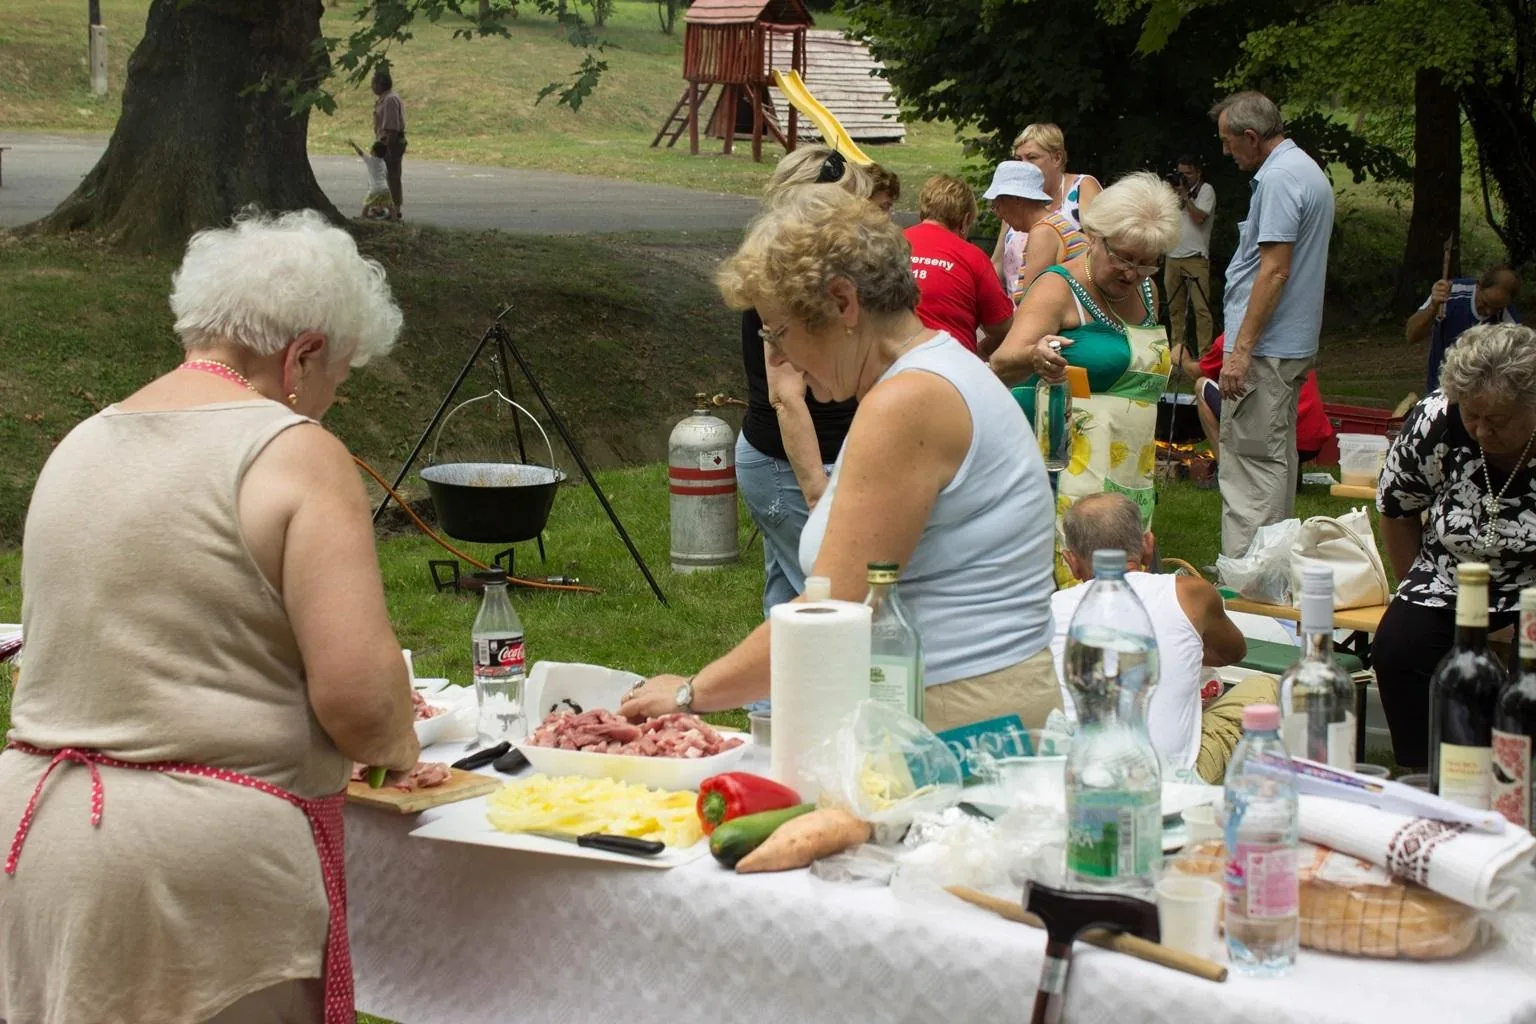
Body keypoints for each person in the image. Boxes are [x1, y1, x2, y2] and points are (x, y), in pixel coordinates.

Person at [0, 210, 419, 1022]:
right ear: (300, 355)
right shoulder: (296, 451)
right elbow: (361, 704)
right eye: (339, 374)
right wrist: (399, 742)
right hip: (191, 867)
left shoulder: (81, 440)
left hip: (34, 831)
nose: (331, 400)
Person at [621, 186, 1061, 733]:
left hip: (957, 715)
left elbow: (831, 611)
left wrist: (691, 693)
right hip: (965, 702)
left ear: (844, 302)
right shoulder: (926, 376)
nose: (777, 356)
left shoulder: (908, 402)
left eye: (778, 332)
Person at [988, 172, 1181, 583]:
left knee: (1128, 576)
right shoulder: (1058, 287)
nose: (1133, 272)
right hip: (1067, 459)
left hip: (1130, 461)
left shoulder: (1147, 292)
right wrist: (1036, 355)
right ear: (1095, 235)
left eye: (1147, 262)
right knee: (1073, 577)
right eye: (1123, 258)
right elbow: (1003, 362)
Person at [1373, 323, 1536, 768]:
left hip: (1532, 585)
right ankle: (1431, 771)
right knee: (1398, 647)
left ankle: (1516, 770)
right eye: (1472, 415)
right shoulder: (1436, 419)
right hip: (1449, 575)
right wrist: (1414, 588)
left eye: (1497, 420)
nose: (1481, 430)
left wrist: (1514, 622)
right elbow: (1396, 506)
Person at [735, 146, 873, 622]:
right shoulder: (782, 273)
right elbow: (785, 396)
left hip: (803, 458)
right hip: (789, 465)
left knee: (786, 595)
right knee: (827, 604)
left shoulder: (814, 266)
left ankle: (768, 700)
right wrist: (818, 496)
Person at [1048, 493, 1268, 782]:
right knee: (1265, 687)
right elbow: (1232, 653)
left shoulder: (1050, 609)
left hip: (1073, 776)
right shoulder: (1190, 593)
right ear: (1148, 545)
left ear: (1072, 562)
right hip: (1167, 784)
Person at [1211, 91, 1335, 558]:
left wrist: (1240, 351)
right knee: (1274, 463)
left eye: (1228, 142)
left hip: (1266, 349)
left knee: (1249, 469)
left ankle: (1248, 585)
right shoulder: (1303, 168)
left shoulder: (1281, 178)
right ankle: (1272, 575)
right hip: (1287, 343)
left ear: (1251, 136)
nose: (1226, 152)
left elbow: (1275, 269)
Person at [1174, 332, 1335, 476]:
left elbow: (1198, 372)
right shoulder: (1292, 335)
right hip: (1310, 445)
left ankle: (1227, 473)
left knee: (1202, 385)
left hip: (1265, 445)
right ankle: (1289, 473)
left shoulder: (1235, 337)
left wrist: (1182, 359)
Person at [905, 175, 1015, 355]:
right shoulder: (972, 257)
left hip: (890, 364)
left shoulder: (892, 244)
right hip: (949, 366)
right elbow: (1001, 326)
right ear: (965, 220)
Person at [991, 123, 1102, 294]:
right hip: (1016, 306)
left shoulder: (1082, 186)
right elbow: (998, 263)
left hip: (1064, 303)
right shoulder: (1013, 205)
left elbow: (1099, 248)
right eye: (1019, 159)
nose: (1023, 165)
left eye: (1032, 157)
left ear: (1057, 158)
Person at [982, 160, 1089, 305]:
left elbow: (1032, 306)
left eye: (997, 205)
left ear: (1016, 199)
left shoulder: (1044, 233)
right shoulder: (1055, 225)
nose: (999, 215)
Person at [1405, 264, 1521, 395]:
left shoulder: (1508, 318)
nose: (1489, 311)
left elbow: (1518, 363)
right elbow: (1411, 335)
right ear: (1478, 286)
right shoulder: (1451, 293)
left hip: (1480, 396)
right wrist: (1433, 307)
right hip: (1440, 390)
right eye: (1485, 302)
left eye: (1497, 308)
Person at [1165, 154, 1216, 355]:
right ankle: (1178, 356)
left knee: (1201, 310)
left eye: (1188, 173)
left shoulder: (1206, 190)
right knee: (1175, 311)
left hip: (1195, 257)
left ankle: (1205, 357)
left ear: (1198, 172)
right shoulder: (1173, 193)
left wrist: (1185, 196)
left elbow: (1199, 217)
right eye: (1180, 173)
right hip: (1172, 257)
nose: (1183, 178)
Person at [372, 67, 407, 221]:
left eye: (373, 83)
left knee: (391, 176)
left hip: (389, 142)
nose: (371, 86)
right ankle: (384, 207)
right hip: (384, 140)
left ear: (380, 84)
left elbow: (391, 127)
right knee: (383, 175)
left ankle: (394, 209)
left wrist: (384, 147)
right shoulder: (386, 98)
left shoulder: (390, 100)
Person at [349, 137, 396, 220]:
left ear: (374, 152)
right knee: (390, 205)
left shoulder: (371, 160)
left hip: (374, 188)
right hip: (384, 187)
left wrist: (354, 145)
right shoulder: (383, 162)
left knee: (367, 204)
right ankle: (394, 218)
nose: (370, 150)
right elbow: (386, 174)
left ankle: (363, 217)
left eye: (371, 149)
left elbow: (361, 153)